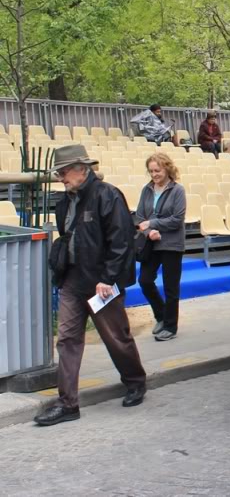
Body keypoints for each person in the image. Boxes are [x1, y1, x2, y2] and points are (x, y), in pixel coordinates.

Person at [35, 145, 146, 426]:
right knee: (68, 339)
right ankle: (67, 403)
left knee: (116, 337)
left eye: (63, 172)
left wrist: (108, 279)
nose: (60, 177)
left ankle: (135, 381)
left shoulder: (107, 195)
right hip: (72, 279)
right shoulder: (65, 201)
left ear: (81, 169)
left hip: (101, 282)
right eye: (59, 172)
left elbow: (121, 241)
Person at [135, 153, 187, 341]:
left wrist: (153, 224)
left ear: (167, 168)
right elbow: (140, 217)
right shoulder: (146, 190)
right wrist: (149, 232)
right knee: (145, 280)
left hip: (172, 244)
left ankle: (171, 327)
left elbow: (177, 219)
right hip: (151, 243)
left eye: (158, 170)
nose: (154, 174)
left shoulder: (178, 191)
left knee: (170, 287)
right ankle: (161, 316)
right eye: (151, 171)